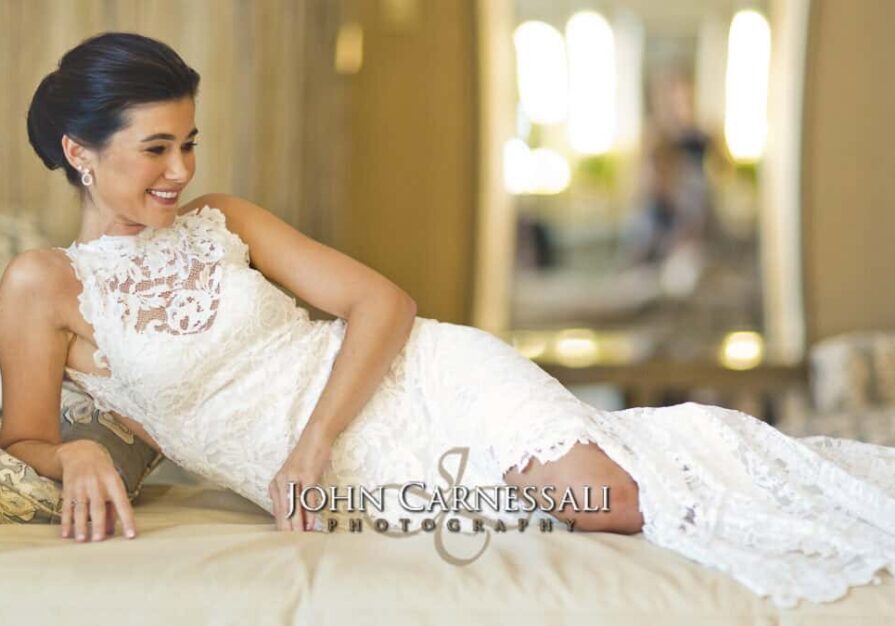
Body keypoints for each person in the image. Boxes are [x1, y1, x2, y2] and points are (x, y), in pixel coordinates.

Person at [0, 32, 892, 609]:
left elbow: (382, 303)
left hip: (419, 382)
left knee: (611, 498)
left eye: (188, 143)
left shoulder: (223, 220)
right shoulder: (43, 284)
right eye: (155, 148)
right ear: (80, 153)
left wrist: (309, 448)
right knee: (596, 503)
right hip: (363, 482)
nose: (180, 171)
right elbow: (25, 434)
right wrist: (79, 453)